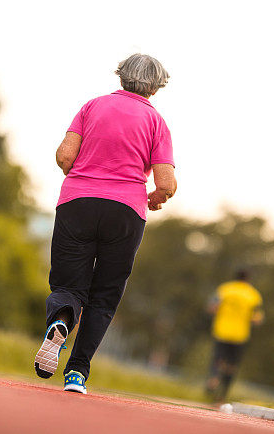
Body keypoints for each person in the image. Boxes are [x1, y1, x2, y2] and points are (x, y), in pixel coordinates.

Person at [34, 54, 177, 394]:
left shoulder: (92, 107)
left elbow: (65, 156)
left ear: (121, 76)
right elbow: (167, 183)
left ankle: (62, 319)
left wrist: (83, 179)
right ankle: (77, 374)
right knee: (104, 296)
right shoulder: (156, 122)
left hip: (77, 203)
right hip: (125, 212)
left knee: (68, 286)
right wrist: (153, 198)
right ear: (156, 86)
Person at [205, 268, 264, 402]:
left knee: (218, 359)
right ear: (248, 279)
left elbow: (212, 307)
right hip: (239, 335)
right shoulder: (253, 295)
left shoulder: (225, 289)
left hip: (222, 331)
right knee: (232, 365)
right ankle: (223, 393)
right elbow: (257, 318)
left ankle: (213, 378)